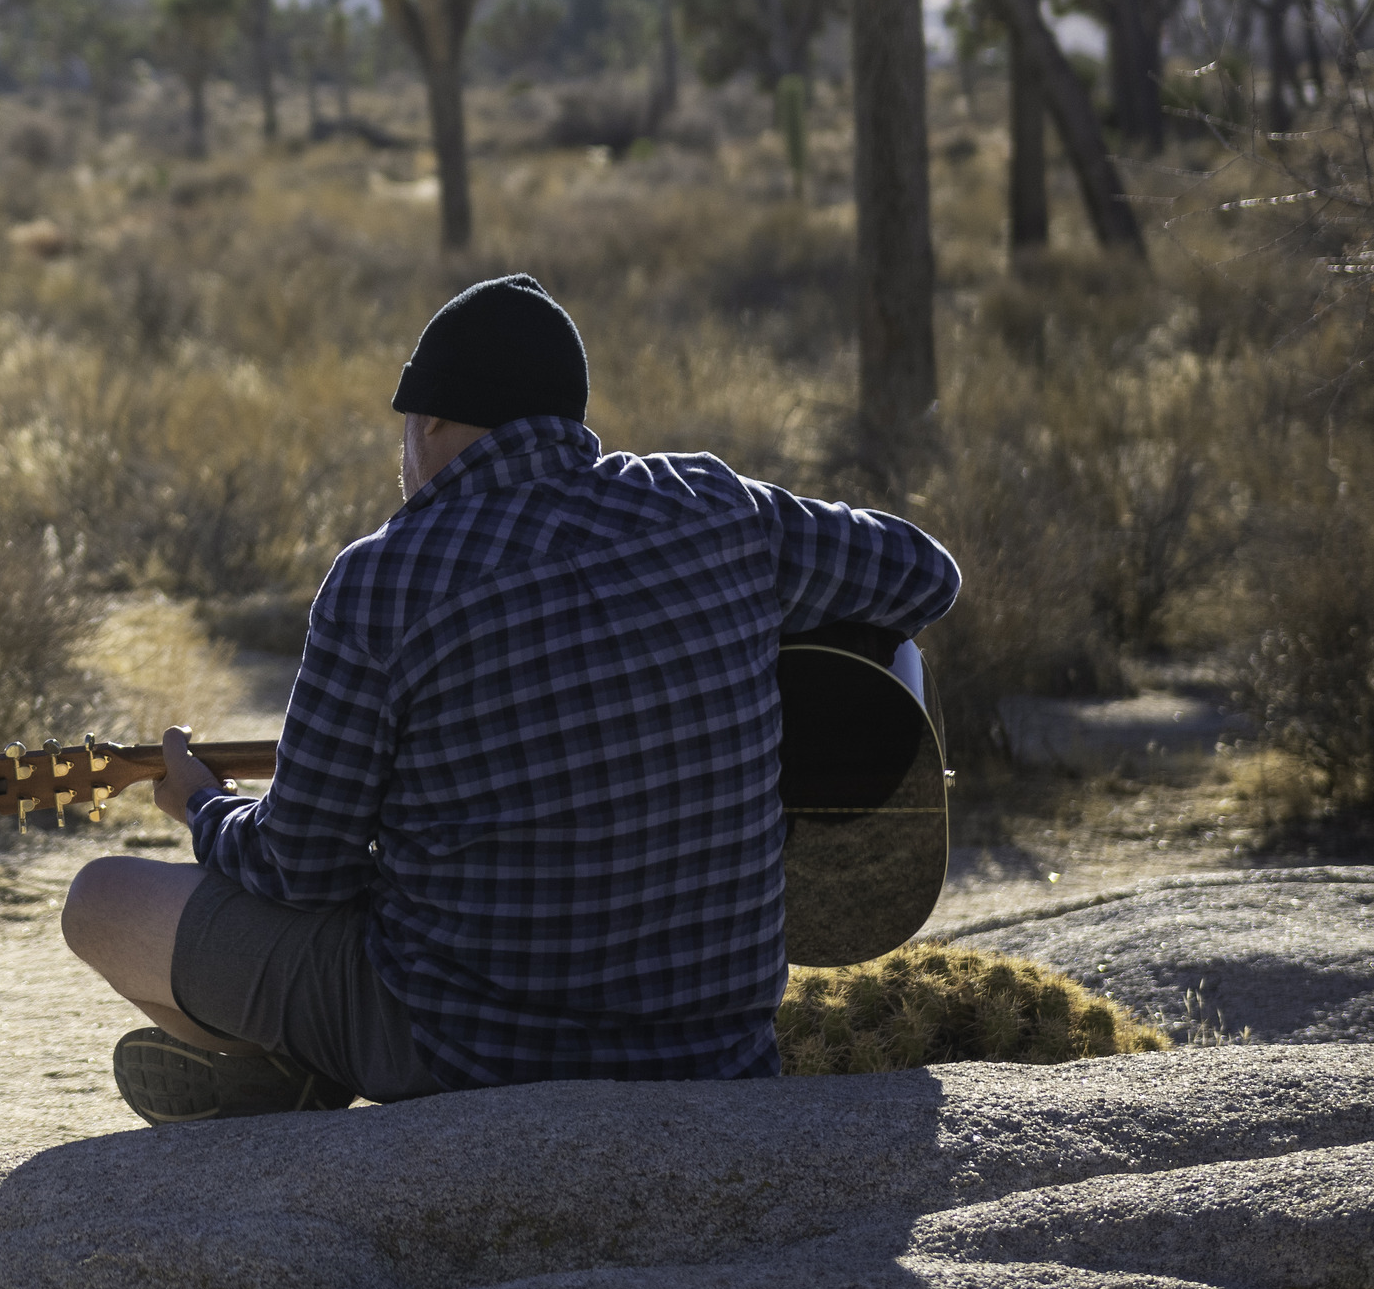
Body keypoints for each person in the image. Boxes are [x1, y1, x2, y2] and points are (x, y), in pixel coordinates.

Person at [62, 273, 958, 1121]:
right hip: (716, 1050)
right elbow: (925, 575)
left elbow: (303, 868)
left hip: (471, 1054)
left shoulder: (385, 579)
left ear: (434, 421)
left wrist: (204, 808)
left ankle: (297, 1071)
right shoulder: (714, 504)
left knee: (100, 902)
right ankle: (288, 1072)